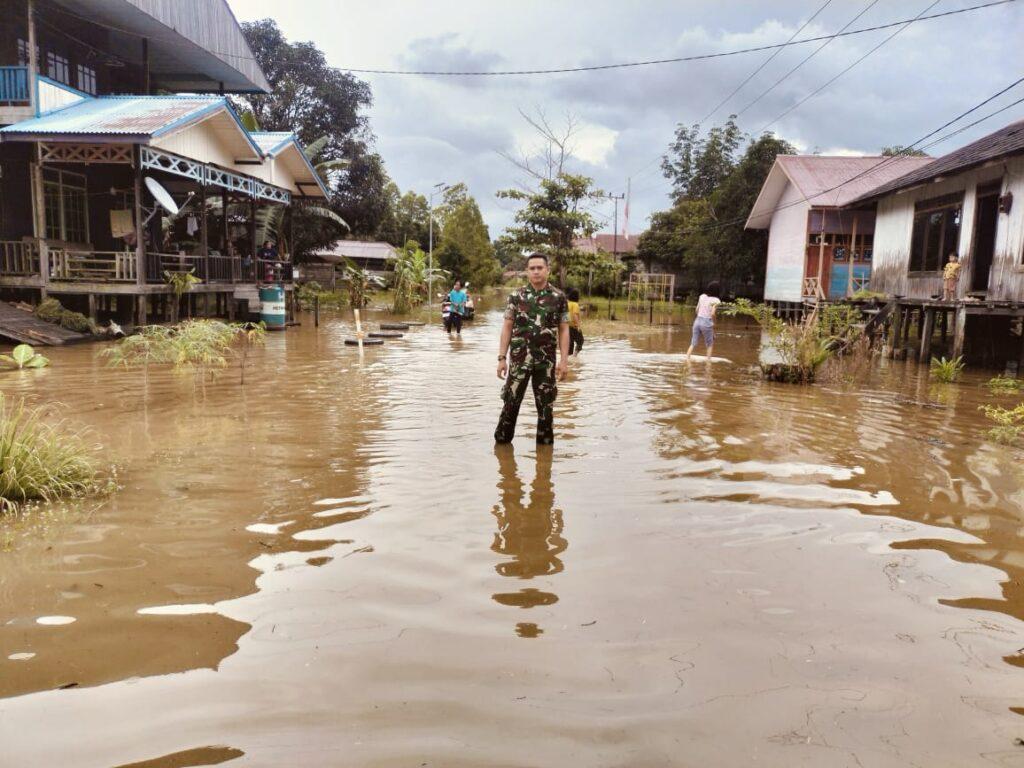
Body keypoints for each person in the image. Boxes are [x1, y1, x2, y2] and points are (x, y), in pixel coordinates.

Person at [495, 253, 570, 445]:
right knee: (510, 403)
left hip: (546, 363)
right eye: (532, 268)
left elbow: (564, 330)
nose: (536, 271)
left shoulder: (559, 297)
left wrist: (564, 361)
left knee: (546, 408)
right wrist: (502, 358)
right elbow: (507, 327)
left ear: (547, 270)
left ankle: (544, 454)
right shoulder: (516, 296)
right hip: (519, 360)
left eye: (540, 268)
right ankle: (502, 448)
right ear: (527, 271)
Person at [686, 281, 721, 360]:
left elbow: (696, 310)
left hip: (697, 320)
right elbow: (712, 313)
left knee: (693, 343)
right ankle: (708, 364)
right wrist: (714, 323)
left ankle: (687, 359)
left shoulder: (702, 296)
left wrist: (700, 316)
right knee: (709, 344)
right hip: (707, 322)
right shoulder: (716, 300)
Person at [565, 287, 584, 356]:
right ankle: (575, 355)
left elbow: (565, 314)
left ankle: (569, 358)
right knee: (580, 341)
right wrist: (578, 326)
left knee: (570, 343)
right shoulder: (575, 305)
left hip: (567, 326)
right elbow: (575, 315)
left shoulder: (567, 303)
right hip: (574, 326)